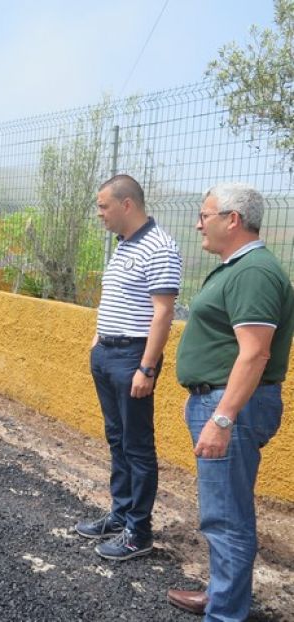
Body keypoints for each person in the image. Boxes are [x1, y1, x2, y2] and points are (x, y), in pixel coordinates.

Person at [167, 183, 294, 620]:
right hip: (222, 402)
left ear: (232, 219)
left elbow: (255, 352)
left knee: (225, 517)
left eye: (205, 216)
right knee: (221, 509)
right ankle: (224, 597)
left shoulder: (253, 272)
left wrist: (222, 418)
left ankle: (225, 614)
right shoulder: (237, 267)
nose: (198, 223)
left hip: (230, 406)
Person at [74, 174, 182, 561]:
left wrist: (147, 368)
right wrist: (96, 339)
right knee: (116, 438)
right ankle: (120, 514)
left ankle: (139, 531)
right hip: (107, 354)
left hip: (133, 358)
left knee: (137, 446)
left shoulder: (160, 247)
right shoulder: (123, 246)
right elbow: (115, 299)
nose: (99, 213)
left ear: (127, 205)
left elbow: (163, 312)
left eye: (103, 206)